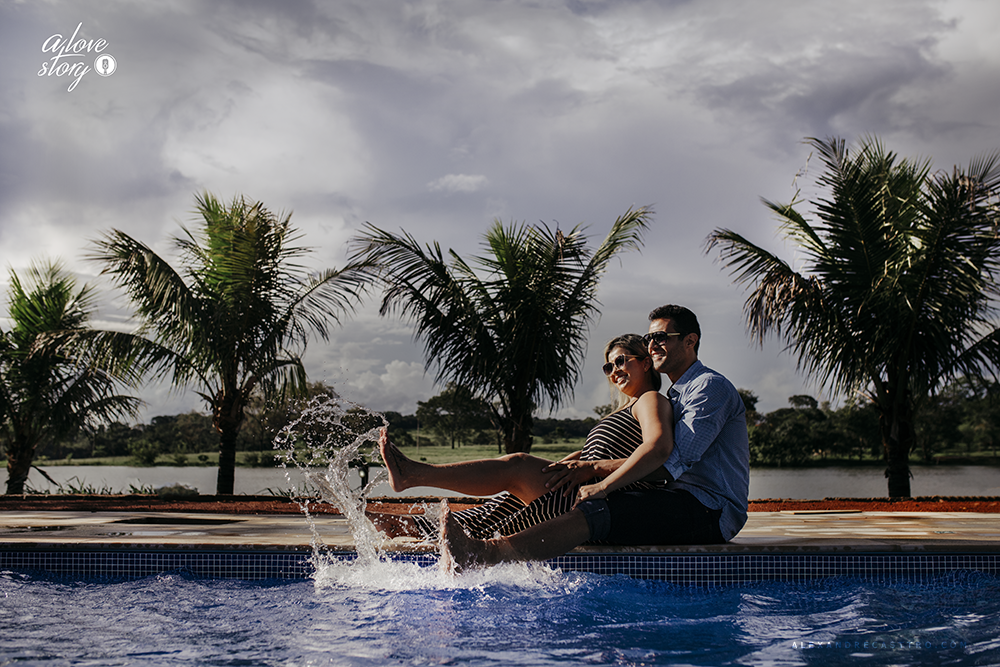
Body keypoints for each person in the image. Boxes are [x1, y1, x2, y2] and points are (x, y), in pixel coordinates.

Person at [441, 304, 750, 569]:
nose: (652, 344)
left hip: (710, 510)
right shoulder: (677, 394)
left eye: (660, 337)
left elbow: (670, 460)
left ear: (690, 341)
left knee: (597, 510)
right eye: (648, 338)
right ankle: (482, 542)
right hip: (678, 499)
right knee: (563, 496)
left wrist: (601, 479)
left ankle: (486, 554)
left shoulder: (709, 387)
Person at [372, 333, 674, 540]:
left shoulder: (651, 400)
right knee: (504, 505)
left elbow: (657, 448)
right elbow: (598, 452)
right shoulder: (624, 409)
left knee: (516, 466)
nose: (614, 371)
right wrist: (568, 462)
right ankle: (411, 527)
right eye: (609, 366)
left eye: (621, 361)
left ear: (645, 362)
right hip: (581, 485)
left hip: (604, 496)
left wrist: (593, 474)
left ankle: (412, 474)